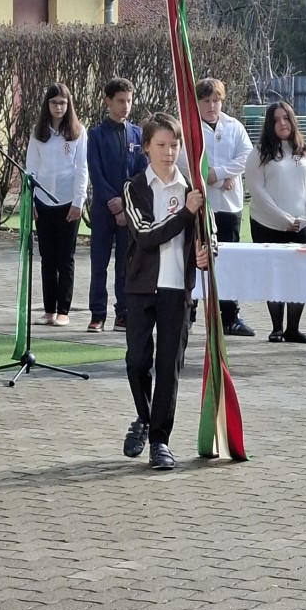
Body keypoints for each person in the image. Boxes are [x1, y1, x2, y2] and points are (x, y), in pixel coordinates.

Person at [122, 112, 208, 470]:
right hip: (142, 288)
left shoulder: (192, 191)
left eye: (174, 145)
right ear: (146, 147)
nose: (168, 152)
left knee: (169, 365)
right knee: (137, 361)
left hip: (177, 290)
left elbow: (207, 236)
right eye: (161, 145)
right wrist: (185, 214)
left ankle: (160, 440)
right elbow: (145, 235)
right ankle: (143, 418)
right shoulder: (134, 188)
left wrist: (205, 253)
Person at [178, 77, 254, 336]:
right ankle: (189, 313)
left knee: (228, 260)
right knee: (196, 257)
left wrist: (220, 173)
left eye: (216, 100)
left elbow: (246, 156)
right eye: (206, 101)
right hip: (200, 204)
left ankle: (230, 316)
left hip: (229, 206)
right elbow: (183, 162)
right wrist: (215, 177)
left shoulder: (234, 127)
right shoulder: (188, 128)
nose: (211, 106)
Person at [245, 101, 306, 343]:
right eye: (276, 119)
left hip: (301, 226)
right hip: (267, 225)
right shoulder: (259, 153)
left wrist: (305, 218)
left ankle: (293, 329)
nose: (282, 123)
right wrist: (283, 218)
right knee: (274, 276)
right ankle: (277, 328)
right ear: (270, 124)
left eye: (286, 118)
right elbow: (257, 190)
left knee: (300, 277)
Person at [86, 78, 147, 333]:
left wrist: (125, 202)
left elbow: (141, 172)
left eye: (129, 101)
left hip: (128, 209)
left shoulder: (137, 134)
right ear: (108, 101)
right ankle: (97, 314)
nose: (126, 106)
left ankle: (123, 312)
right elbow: (96, 172)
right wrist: (113, 202)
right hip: (103, 210)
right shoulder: (96, 135)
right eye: (121, 101)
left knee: (126, 263)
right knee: (99, 264)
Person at [25, 82, 88, 327]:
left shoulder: (78, 132)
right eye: (54, 102)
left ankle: (63, 310)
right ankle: (49, 310)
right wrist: (31, 201)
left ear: (68, 104)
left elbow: (81, 169)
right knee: (47, 258)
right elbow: (31, 167)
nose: (58, 107)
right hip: (43, 201)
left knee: (65, 258)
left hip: (67, 202)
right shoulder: (38, 132)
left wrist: (78, 201)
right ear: (47, 105)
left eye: (62, 102)